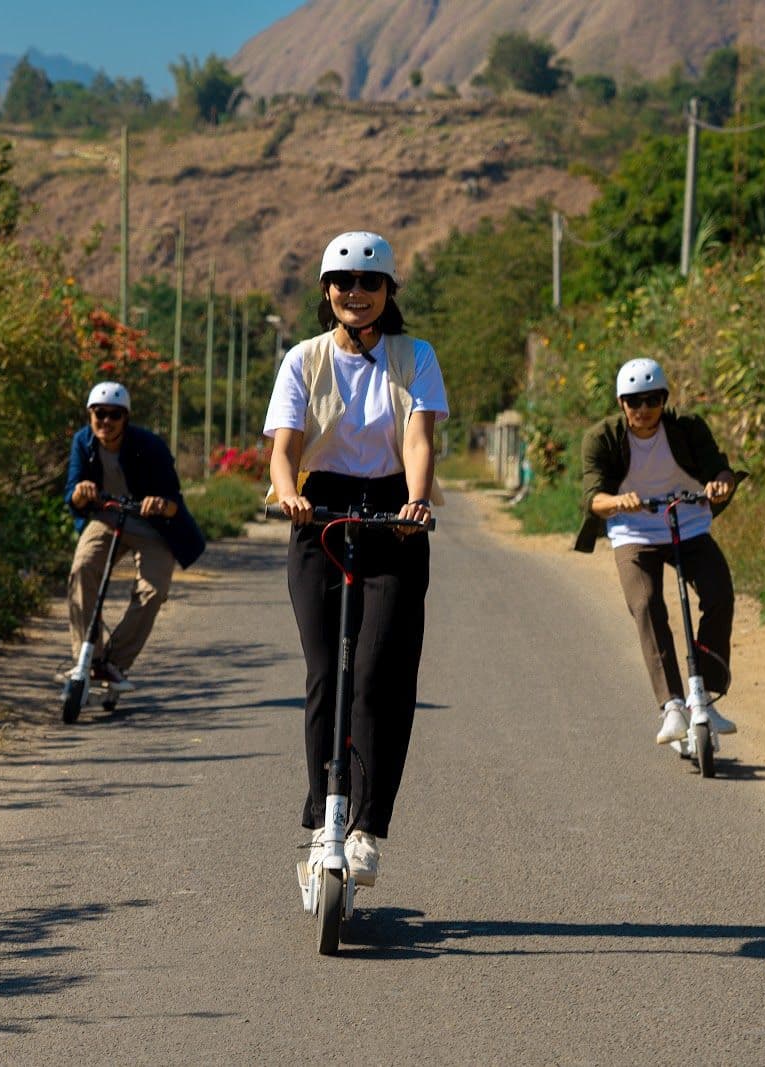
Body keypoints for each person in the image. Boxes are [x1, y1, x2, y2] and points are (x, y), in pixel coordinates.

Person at [263, 230, 448, 888]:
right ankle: (324, 820)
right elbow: (285, 447)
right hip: (319, 511)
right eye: (343, 281)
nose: (356, 293)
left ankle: (365, 826)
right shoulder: (303, 360)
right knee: (325, 674)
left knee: (378, 673)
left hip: (394, 515)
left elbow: (419, 438)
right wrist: (288, 496)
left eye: (370, 283)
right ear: (326, 290)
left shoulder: (414, 355)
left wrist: (417, 502)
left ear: (388, 291)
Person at [575, 357, 740, 744]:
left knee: (719, 594)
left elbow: (722, 469)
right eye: (634, 402)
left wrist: (720, 485)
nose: (644, 410)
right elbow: (592, 499)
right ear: (621, 403)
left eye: (652, 400)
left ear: (664, 399)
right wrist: (619, 503)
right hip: (633, 530)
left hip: (689, 522)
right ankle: (672, 705)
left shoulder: (687, 428)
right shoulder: (601, 438)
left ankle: (706, 695)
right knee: (647, 602)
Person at [64, 381, 204, 691]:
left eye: (114, 414)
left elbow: (173, 504)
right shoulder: (83, 442)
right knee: (82, 570)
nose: (106, 421)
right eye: (99, 413)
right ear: (90, 415)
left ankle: (113, 663)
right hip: (106, 518)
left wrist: (159, 503)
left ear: (125, 418)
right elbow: (70, 495)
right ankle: (87, 659)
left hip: (150, 525)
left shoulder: (149, 446)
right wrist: (80, 493)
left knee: (153, 591)